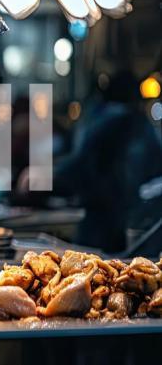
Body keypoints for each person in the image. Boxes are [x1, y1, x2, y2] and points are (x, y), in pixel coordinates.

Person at [18, 70, 162, 253]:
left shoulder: (112, 121)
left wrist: (44, 177)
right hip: (136, 227)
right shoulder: (144, 128)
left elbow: (81, 168)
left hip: (103, 227)